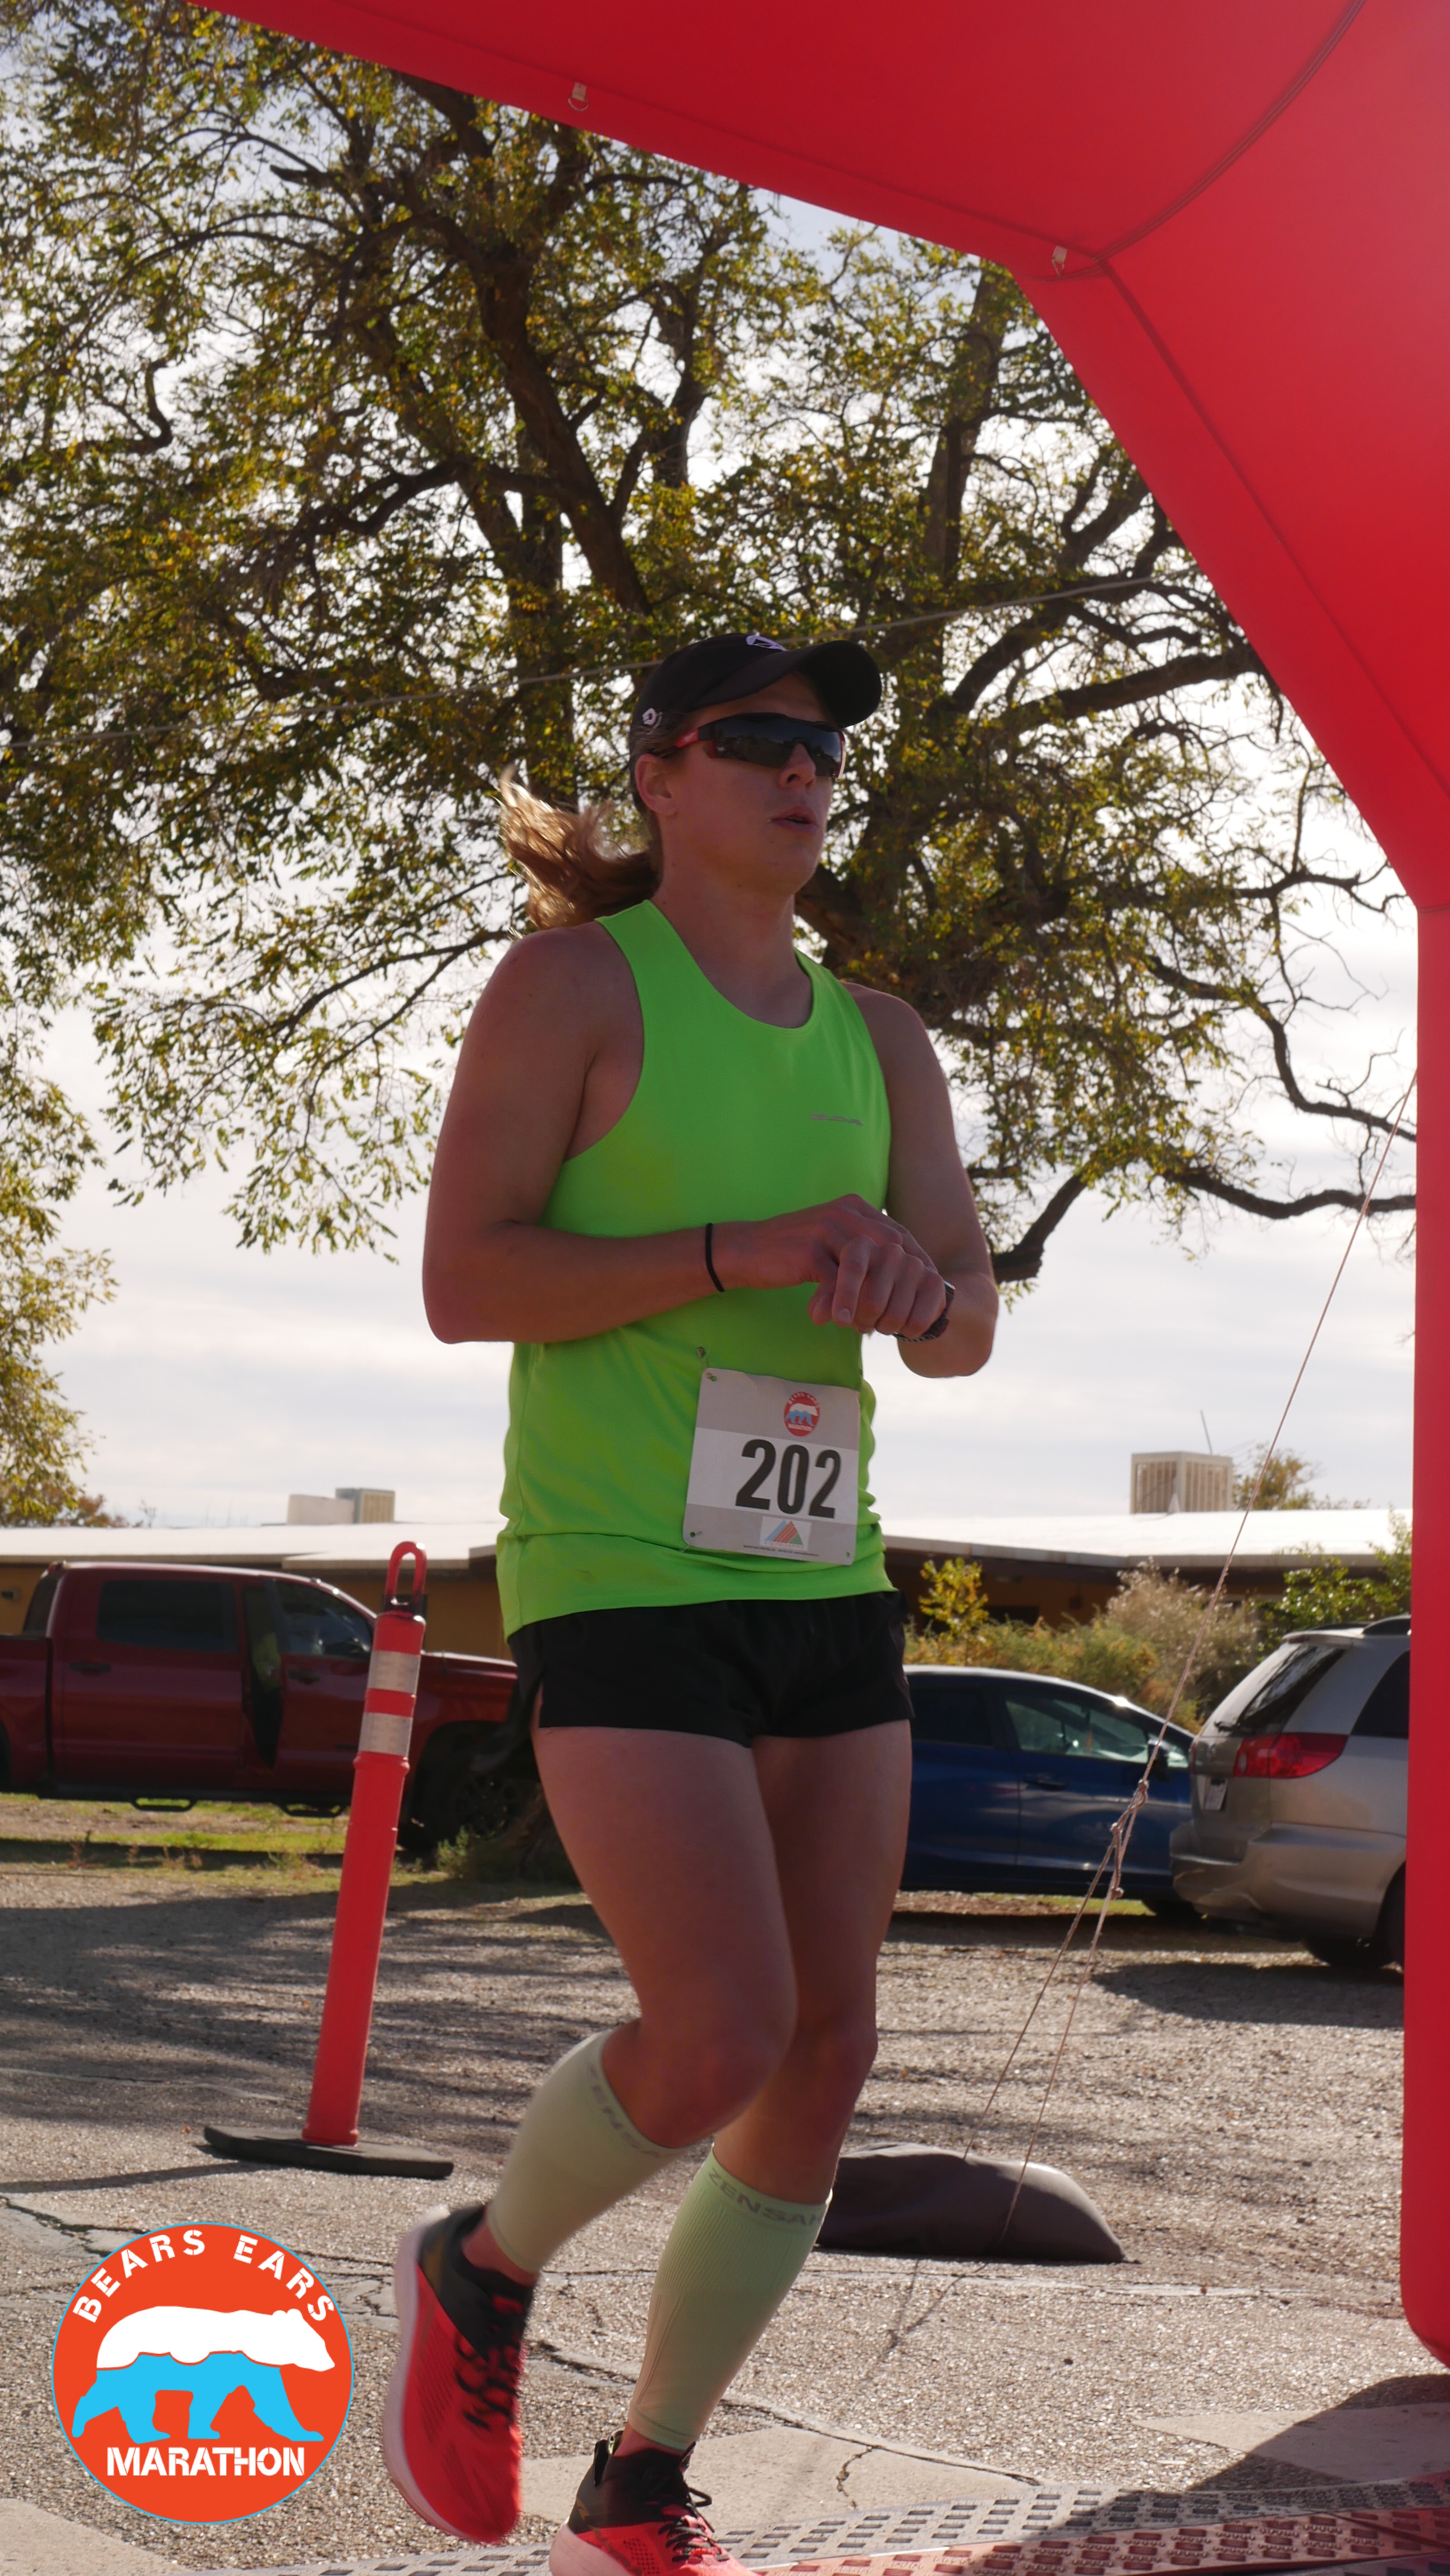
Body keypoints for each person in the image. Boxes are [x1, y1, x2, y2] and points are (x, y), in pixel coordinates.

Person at [384, 630, 998, 2576]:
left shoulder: (881, 1036)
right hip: (622, 1571)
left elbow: (968, 1322)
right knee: (723, 2030)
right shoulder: (575, 985)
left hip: (823, 1573)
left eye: (822, 747)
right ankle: (482, 2268)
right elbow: (469, 1282)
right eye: (756, 739)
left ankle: (644, 2474)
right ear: (659, 774)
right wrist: (743, 1246)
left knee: (829, 2051)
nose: (804, 769)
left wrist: (913, 1290)